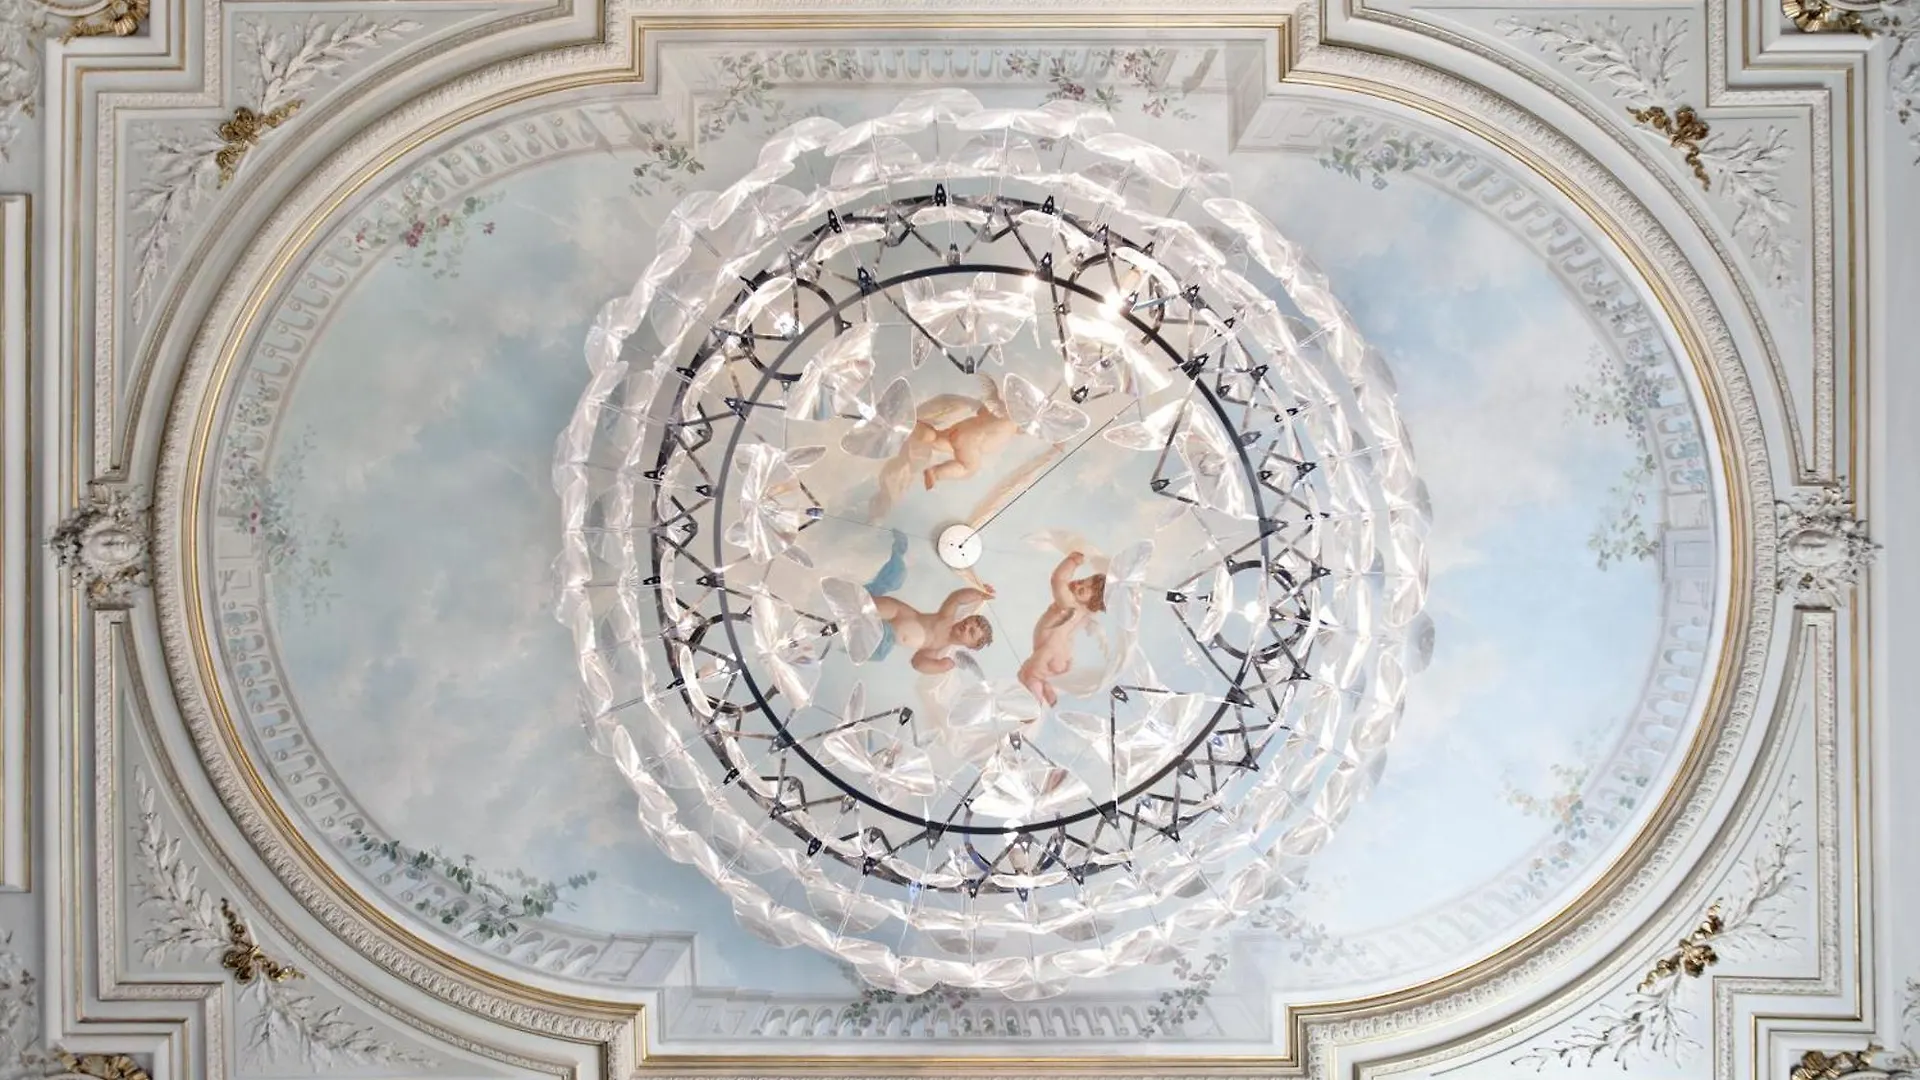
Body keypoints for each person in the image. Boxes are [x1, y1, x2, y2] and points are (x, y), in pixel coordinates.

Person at [860, 530, 996, 674]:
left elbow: (918, 662)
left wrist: (942, 666)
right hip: (897, 612)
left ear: (970, 646)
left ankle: (846, 622)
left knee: (871, 646)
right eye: (969, 621)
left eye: (971, 632)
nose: (967, 625)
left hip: (887, 635)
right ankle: (896, 555)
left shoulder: (936, 648)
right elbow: (957, 598)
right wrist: (979, 594)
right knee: (862, 607)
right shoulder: (946, 619)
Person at [1017, 552, 1107, 707]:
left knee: (1031, 673)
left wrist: (1072, 561)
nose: (1077, 585)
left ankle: (1034, 703)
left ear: (1092, 602)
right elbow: (1090, 624)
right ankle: (1048, 691)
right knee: (1026, 672)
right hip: (1062, 658)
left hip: (1049, 651)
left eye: (1081, 590)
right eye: (1080, 581)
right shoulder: (1086, 613)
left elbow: (1058, 579)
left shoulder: (1069, 603)